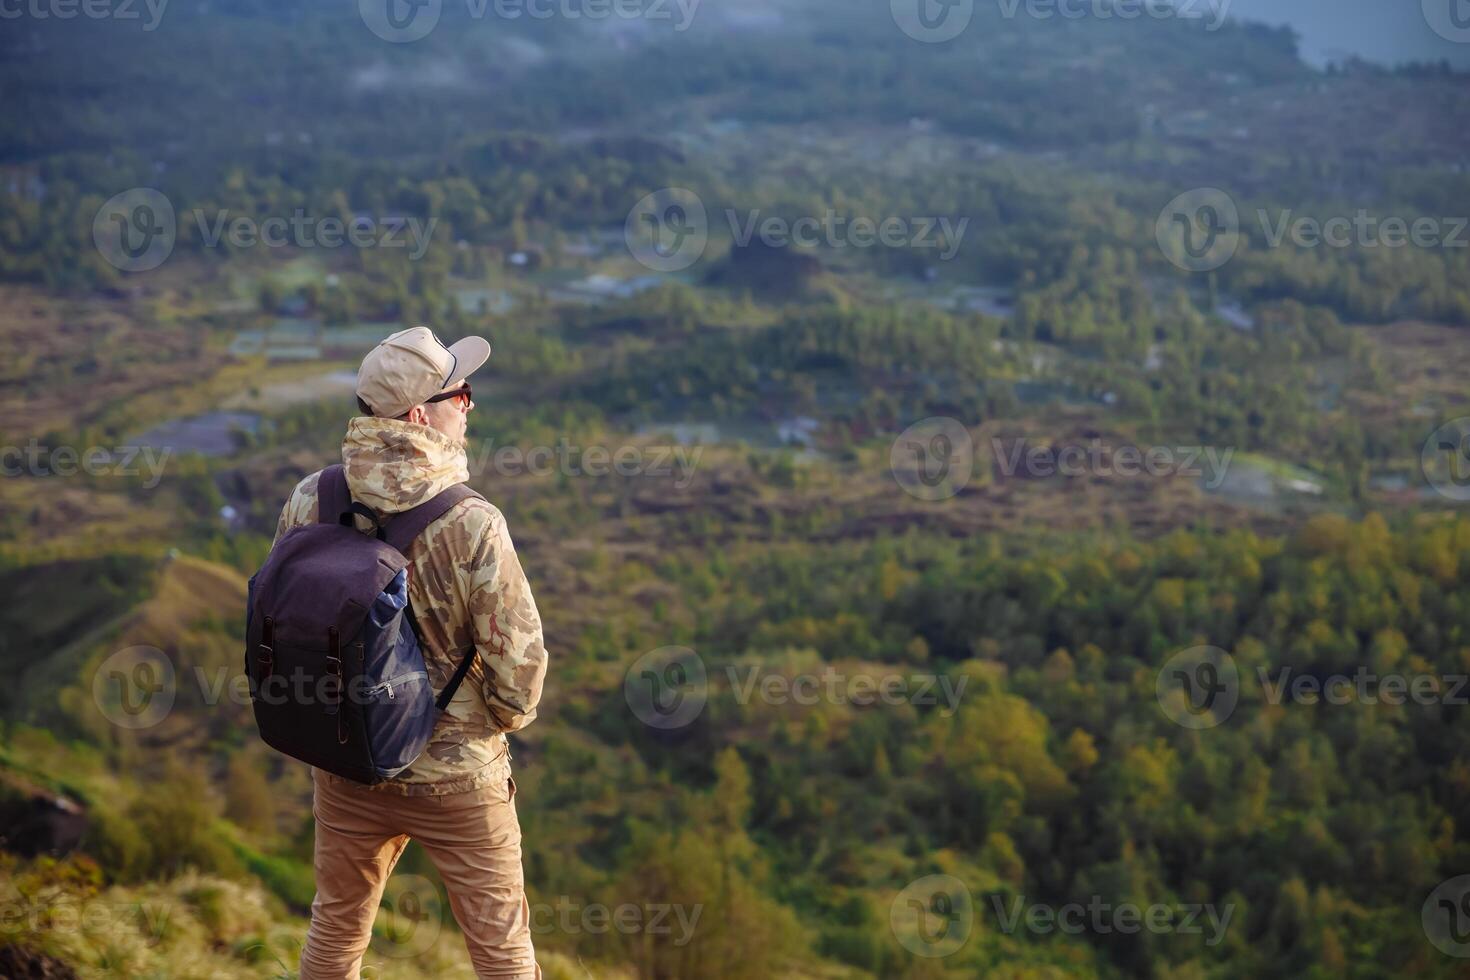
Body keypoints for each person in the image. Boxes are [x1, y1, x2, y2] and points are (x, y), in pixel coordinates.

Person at [272, 326, 547, 979]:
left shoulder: (313, 497)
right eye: (463, 394)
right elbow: (519, 673)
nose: (470, 407)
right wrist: (495, 724)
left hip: (347, 759)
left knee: (335, 932)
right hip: (460, 779)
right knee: (502, 953)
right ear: (423, 414)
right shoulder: (473, 520)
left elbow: (282, 622)